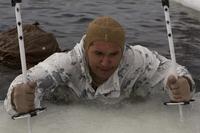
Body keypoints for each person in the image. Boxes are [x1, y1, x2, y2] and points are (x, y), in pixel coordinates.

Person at [4, 16, 195, 115]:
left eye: (113, 54)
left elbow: (175, 72)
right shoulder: (66, 62)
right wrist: (17, 99)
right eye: (98, 54)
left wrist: (184, 84)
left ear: (123, 50)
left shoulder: (137, 58)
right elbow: (25, 81)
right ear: (86, 49)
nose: (106, 62)